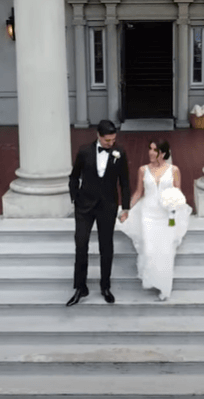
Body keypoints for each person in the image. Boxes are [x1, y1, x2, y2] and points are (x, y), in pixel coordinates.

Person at [67, 120, 130, 307]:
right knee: (81, 244)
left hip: (107, 206)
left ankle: (105, 286)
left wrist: (125, 207)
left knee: (106, 247)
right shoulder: (84, 151)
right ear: (99, 136)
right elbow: (74, 176)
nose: (111, 144)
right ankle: (80, 287)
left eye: (113, 140)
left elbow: (125, 182)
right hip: (84, 206)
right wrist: (74, 198)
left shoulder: (121, 153)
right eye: (108, 140)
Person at [119, 139, 192, 300]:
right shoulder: (142, 170)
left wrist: (173, 218)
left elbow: (176, 194)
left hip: (166, 215)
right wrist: (126, 210)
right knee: (150, 249)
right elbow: (139, 192)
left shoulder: (174, 170)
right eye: (150, 149)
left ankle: (164, 287)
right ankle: (151, 279)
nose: (151, 153)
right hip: (148, 213)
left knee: (165, 250)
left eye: (155, 150)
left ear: (163, 153)